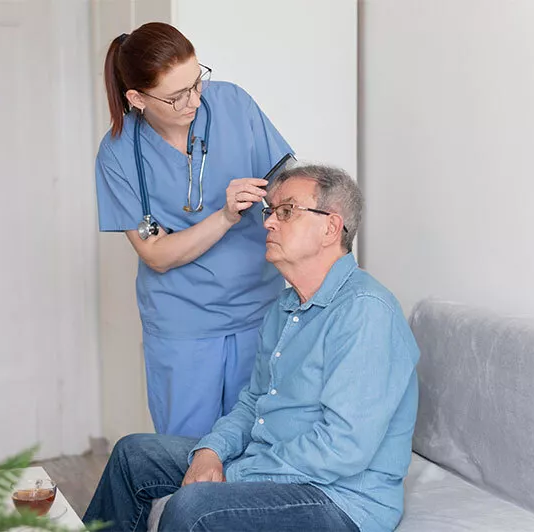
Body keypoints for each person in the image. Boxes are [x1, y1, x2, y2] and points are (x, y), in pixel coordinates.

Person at [84, 164, 420, 532]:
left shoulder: (365, 311)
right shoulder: (285, 307)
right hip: (272, 463)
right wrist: (211, 452)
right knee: (133, 455)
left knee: (193, 506)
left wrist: (234, 471)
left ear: (330, 227)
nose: (269, 223)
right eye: (270, 211)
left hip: (339, 498)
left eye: (287, 211)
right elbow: (253, 404)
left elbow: (343, 448)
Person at [97, 22, 294, 438]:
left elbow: (287, 183)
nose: (194, 100)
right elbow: (156, 254)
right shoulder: (117, 155)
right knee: (187, 457)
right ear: (137, 99)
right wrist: (224, 215)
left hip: (260, 310)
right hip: (183, 327)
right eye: (176, 96)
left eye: (197, 82)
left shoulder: (233, 104)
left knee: (257, 449)